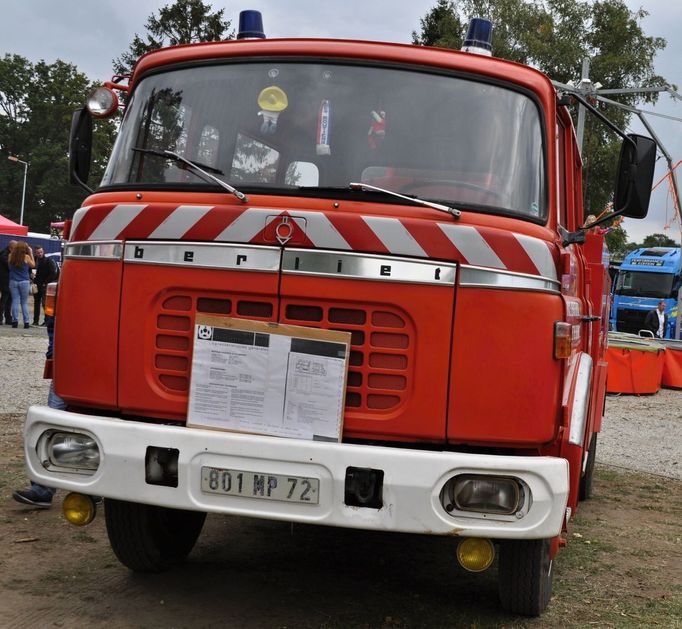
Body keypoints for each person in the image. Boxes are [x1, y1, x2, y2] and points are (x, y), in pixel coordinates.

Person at [8, 240, 35, 329]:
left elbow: (9, 267)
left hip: (13, 281)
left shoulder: (10, 256)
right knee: (24, 303)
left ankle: (14, 321)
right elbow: (33, 265)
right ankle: (26, 322)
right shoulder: (26, 257)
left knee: (15, 301)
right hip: (24, 281)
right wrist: (30, 253)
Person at [32, 246, 59, 326]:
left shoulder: (48, 260)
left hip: (44, 285)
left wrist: (46, 283)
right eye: (38, 253)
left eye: (41, 252)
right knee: (36, 303)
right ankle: (35, 321)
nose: (40, 254)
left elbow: (54, 273)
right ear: (35, 253)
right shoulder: (34, 260)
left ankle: (47, 321)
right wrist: (31, 276)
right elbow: (30, 269)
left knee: (45, 304)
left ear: (43, 251)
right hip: (36, 284)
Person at [0, 240, 15, 324]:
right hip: (4, 280)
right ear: (11, 248)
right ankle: (1, 318)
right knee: (5, 299)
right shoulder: (4, 254)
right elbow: (9, 265)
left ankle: (8, 318)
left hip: (7, 279)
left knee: (9, 299)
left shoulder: (6, 253)